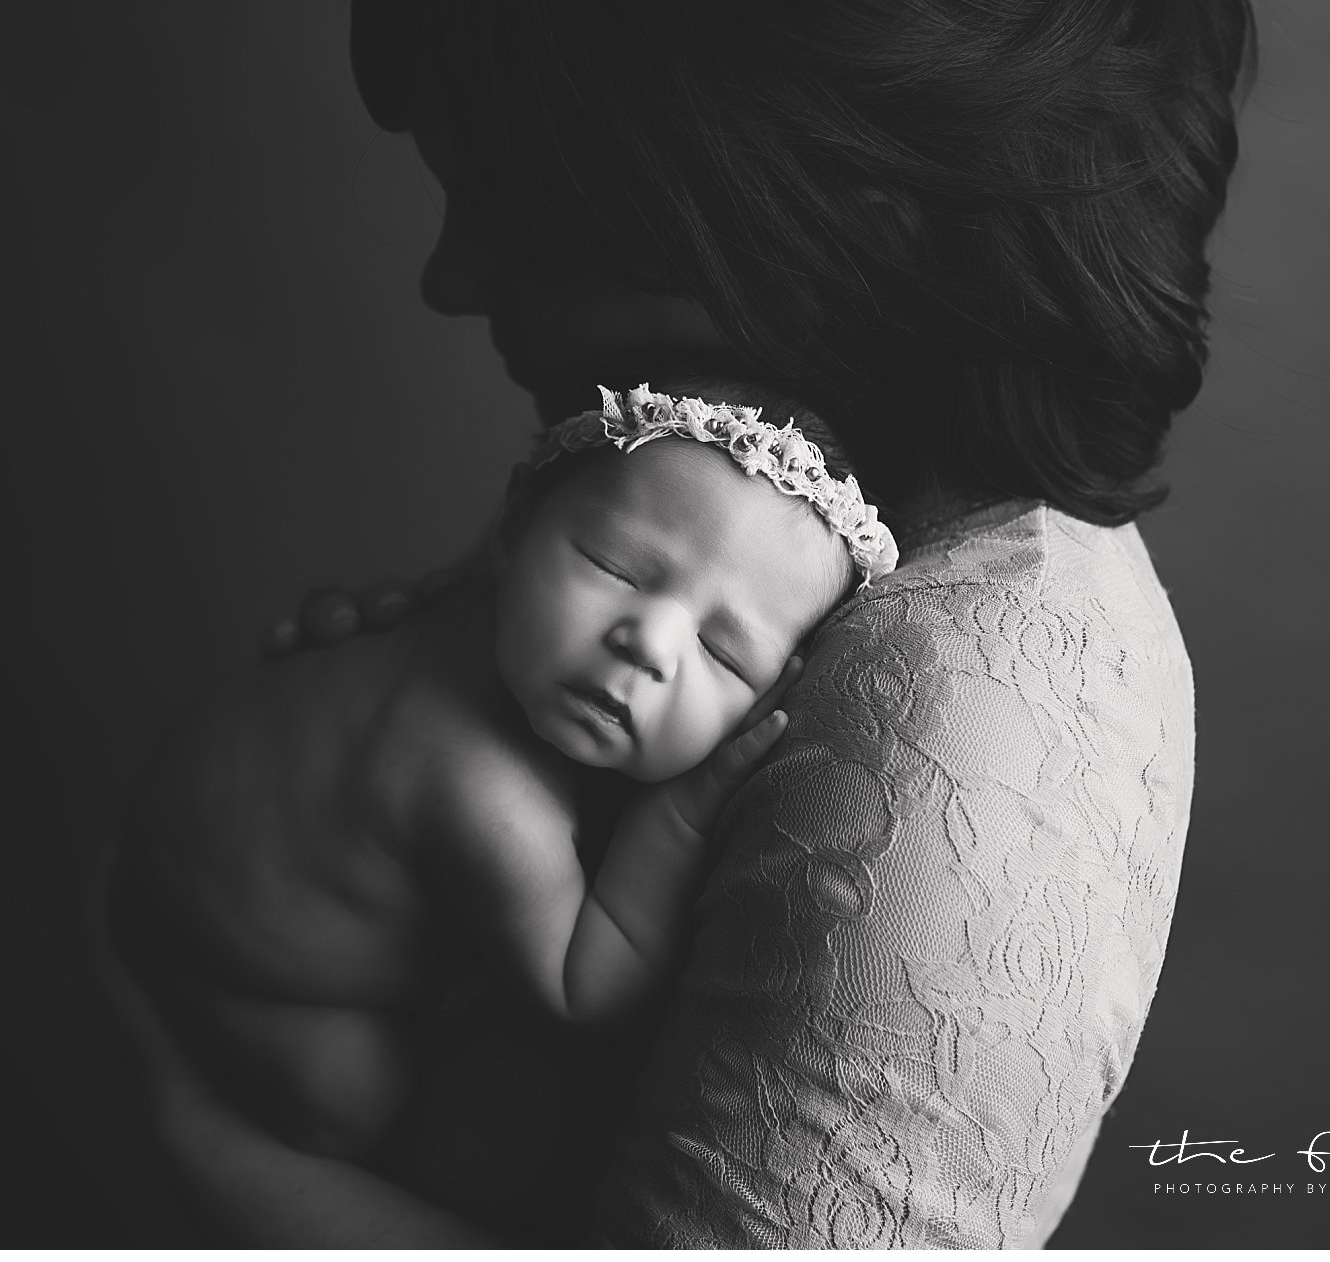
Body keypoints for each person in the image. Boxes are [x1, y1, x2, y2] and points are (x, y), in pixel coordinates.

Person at [96, 0, 1252, 1247]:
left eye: (518, 212)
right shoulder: (743, 497)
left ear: (815, 209)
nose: (449, 280)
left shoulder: (964, 722)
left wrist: (160, 1120)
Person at [108, 384, 892, 1162]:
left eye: (723, 654)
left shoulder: (474, 615)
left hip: (192, 817)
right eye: (614, 566)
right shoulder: (488, 793)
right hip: (229, 953)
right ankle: (175, 1059)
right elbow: (580, 990)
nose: (649, 642)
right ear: (514, 527)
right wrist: (679, 816)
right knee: (352, 1094)